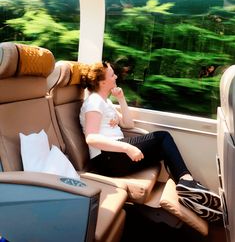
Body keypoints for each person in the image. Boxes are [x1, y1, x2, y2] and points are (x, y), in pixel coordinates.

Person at [79, 61, 222, 222]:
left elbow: (128, 124)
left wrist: (121, 98)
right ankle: (187, 183)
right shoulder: (94, 102)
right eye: (112, 75)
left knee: (162, 147)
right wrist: (127, 147)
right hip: (107, 159)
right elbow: (91, 138)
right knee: (162, 137)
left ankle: (187, 190)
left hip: (114, 154)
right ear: (102, 81)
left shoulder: (106, 102)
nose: (116, 76)